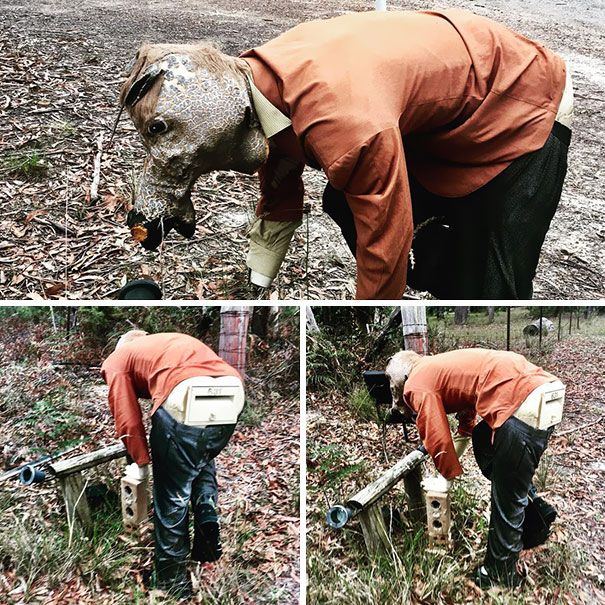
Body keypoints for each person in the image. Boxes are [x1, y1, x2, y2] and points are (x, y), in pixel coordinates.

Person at [120, 9, 573, 300]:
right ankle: (444, 274)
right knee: (343, 200)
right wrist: (255, 286)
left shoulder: (346, 124)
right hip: (436, 114)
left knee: (491, 282)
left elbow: (385, 234)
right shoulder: (255, 80)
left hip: (518, 99)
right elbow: (279, 190)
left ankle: (458, 283)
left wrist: (372, 312)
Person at [385, 348, 564, 587]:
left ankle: (499, 574)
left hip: (519, 401)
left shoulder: (416, 382)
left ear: (400, 379)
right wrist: (447, 469)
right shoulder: (441, 368)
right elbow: (466, 427)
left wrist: (444, 479)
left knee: (506, 498)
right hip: (545, 390)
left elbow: (437, 436)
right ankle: (536, 511)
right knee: (484, 440)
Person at [101, 330, 245, 597]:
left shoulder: (118, 357)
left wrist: (141, 461)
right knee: (199, 457)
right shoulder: (167, 343)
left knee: (171, 496)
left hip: (184, 394)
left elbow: (127, 416)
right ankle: (206, 527)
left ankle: (172, 583)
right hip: (232, 393)